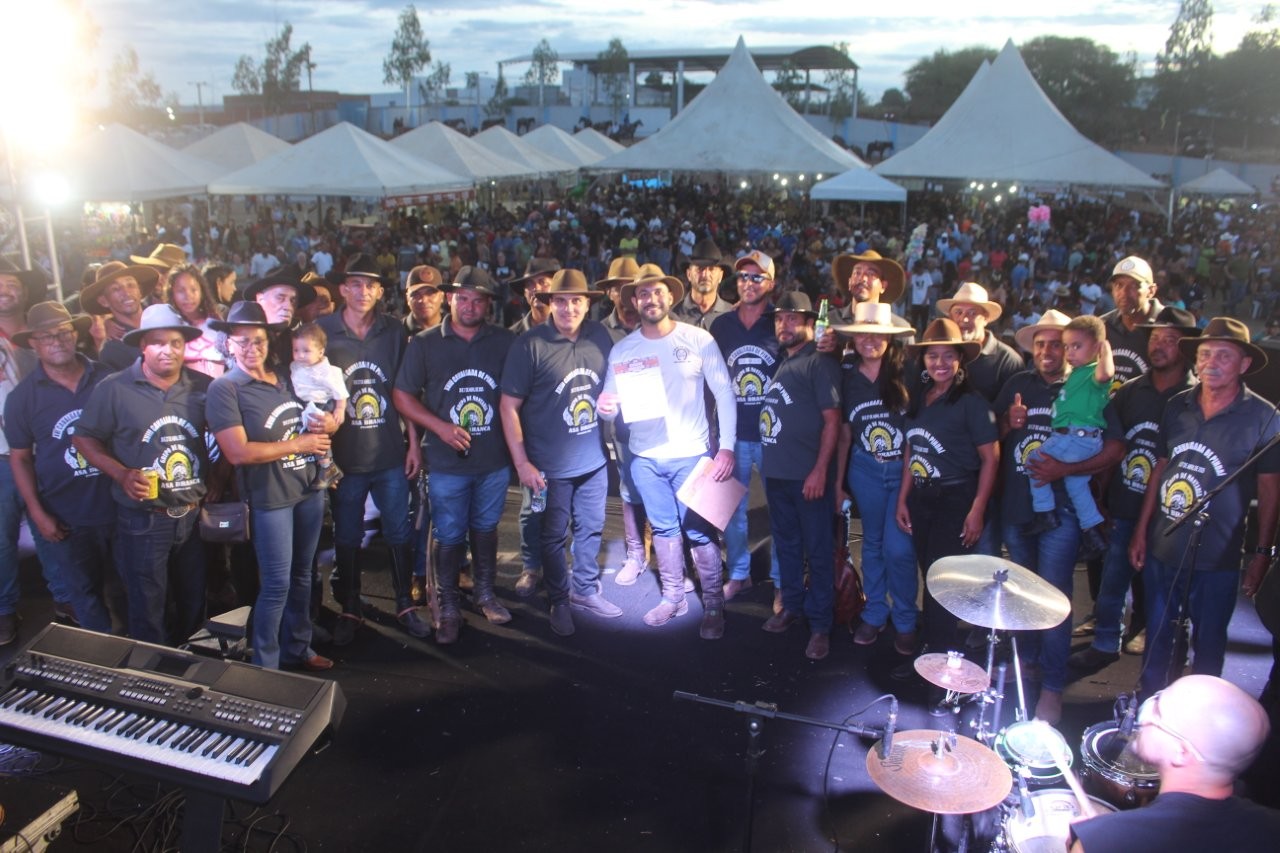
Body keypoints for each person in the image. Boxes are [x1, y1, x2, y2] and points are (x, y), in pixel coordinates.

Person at [1129, 317, 1280, 697]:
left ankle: (1198, 716)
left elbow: (1270, 490)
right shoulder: (1177, 405)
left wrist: (1262, 553)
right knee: (1157, 641)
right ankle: (1149, 711)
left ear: (1244, 364)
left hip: (1219, 557)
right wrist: (1142, 530)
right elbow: (1161, 467)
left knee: (1208, 649)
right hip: (1164, 548)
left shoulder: (1264, 418)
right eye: (1205, 354)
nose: (1211, 362)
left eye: (1224, 355)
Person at [996, 309, 1126, 723]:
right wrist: (1007, 423)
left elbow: (1115, 448)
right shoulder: (1017, 384)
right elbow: (990, 438)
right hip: (1017, 511)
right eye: (1041, 344)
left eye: (1058, 344)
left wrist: (1064, 469)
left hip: (1063, 513)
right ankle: (1028, 663)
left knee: (1054, 598)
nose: (1049, 351)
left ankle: (1052, 687)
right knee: (1023, 595)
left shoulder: (1087, 383)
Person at [597, 265, 736, 635]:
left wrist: (726, 448)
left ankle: (713, 604)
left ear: (671, 296)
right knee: (663, 529)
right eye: (643, 293)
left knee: (700, 532)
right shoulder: (623, 350)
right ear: (634, 301)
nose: (651, 299)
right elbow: (609, 401)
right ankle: (673, 597)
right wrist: (605, 407)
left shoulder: (698, 339)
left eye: (657, 291)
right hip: (645, 459)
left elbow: (724, 392)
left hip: (692, 456)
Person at [206, 302, 336, 671]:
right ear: (229, 344)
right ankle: (267, 666)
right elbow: (237, 452)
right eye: (243, 341)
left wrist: (329, 422)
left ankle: (299, 647)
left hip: (308, 489)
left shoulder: (286, 376)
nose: (252, 348)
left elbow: (323, 410)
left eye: (259, 340)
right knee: (277, 585)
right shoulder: (225, 388)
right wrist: (300, 445)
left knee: (303, 575)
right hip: (270, 498)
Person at [73, 304, 211, 646]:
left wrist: (220, 479)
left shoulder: (203, 386)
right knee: (148, 605)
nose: (168, 350)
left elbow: (226, 435)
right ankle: (152, 669)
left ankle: (194, 663)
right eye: (158, 342)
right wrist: (120, 474)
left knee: (195, 597)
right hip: (144, 519)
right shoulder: (114, 388)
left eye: (176, 342)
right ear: (143, 346)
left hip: (193, 514)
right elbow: (84, 438)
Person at [1069, 307, 1199, 671]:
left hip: (1169, 513)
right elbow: (1111, 444)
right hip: (1126, 501)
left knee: (1159, 587)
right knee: (1112, 579)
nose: (1158, 345)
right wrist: (1100, 493)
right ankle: (1105, 641)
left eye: (1170, 340)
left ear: (1186, 348)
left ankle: (1150, 638)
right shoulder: (1130, 391)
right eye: (1155, 338)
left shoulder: (1195, 396)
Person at [393, 267, 515, 645]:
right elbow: (402, 396)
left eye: (478, 300)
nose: (470, 306)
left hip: (493, 459)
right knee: (448, 534)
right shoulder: (425, 343)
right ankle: (447, 605)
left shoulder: (505, 341)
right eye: (463, 298)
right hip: (446, 462)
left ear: (488, 304)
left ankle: (484, 594)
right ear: (450, 298)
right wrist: (439, 427)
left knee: (485, 528)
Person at [500, 269, 620, 637]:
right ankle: (559, 600)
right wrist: (522, 462)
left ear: (588, 304)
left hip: (593, 460)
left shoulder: (599, 336)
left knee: (591, 528)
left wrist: (612, 401)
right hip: (549, 466)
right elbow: (508, 406)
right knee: (552, 536)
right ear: (550, 303)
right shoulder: (529, 344)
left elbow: (613, 384)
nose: (569, 308)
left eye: (576, 301)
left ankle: (584, 590)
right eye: (561, 301)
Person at [319, 254, 428, 644]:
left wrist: (413, 443)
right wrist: (324, 455)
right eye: (355, 284)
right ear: (343, 288)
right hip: (346, 456)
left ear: (380, 292)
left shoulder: (393, 330)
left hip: (388, 453)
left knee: (398, 530)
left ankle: (404, 604)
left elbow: (404, 391)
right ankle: (350, 605)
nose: (363, 291)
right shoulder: (322, 331)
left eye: (371, 285)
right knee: (347, 534)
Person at [1071, 674, 1280, 853]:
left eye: (1158, 711)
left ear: (1182, 753)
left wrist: (1095, 836)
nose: (1145, 716)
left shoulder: (1104, 842)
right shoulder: (1272, 828)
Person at [895, 319, 998, 656]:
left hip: (955, 498)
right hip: (922, 496)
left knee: (944, 581)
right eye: (932, 356)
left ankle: (940, 656)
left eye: (948, 355)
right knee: (930, 576)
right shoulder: (919, 398)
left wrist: (977, 510)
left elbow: (991, 459)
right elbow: (911, 448)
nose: (940, 363)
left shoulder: (972, 403)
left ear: (960, 360)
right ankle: (933, 648)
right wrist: (903, 498)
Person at [758, 293, 840, 660]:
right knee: (787, 545)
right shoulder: (784, 361)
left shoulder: (819, 362)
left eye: (793, 319)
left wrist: (820, 470)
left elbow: (832, 421)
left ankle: (821, 624)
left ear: (810, 324)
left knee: (818, 551)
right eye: (780, 319)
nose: (784, 325)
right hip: (778, 474)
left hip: (807, 477)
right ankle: (792, 605)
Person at [833, 302, 917, 654]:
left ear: (890, 338)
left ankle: (906, 618)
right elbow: (844, 435)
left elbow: (916, 434)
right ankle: (875, 611)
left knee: (898, 549)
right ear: (853, 338)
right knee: (871, 543)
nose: (869, 339)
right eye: (863, 333)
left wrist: (908, 483)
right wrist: (838, 484)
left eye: (877, 334)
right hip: (865, 466)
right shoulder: (847, 376)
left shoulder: (908, 372)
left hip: (901, 467)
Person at [710, 251, 782, 610]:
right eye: (743, 276)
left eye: (757, 277)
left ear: (771, 283)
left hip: (774, 436)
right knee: (731, 513)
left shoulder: (780, 322)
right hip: (733, 435)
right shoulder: (721, 326)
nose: (748, 283)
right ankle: (739, 573)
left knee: (781, 512)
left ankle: (782, 582)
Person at [1022, 315, 1114, 559]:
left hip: (1076, 436)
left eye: (1077, 346)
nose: (1070, 352)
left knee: (1034, 460)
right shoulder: (1078, 373)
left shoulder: (1093, 373)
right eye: (1067, 346)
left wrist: (1105, 349)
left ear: (1096, 347)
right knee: (1076, 485)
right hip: (1081, 437)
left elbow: (1106, 373)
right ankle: (1092, 531)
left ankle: (1045, 512)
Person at [596, 257, 653, 586]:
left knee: (661, 490)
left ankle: (665, 549)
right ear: (610, 293)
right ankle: (635, 552)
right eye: (618, 288)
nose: (625, 294)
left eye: (631, 287)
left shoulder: (658, 323)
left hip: (660, 427)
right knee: (630, 490)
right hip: (622, 428)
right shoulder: (599, 331)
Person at [505, 257, 560, 595]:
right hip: (529, 437)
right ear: (525, 293)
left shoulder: (573, 329)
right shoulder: (512, 336)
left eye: (544, 282)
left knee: (563, 507)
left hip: (566, 436)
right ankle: (530, 566)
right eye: (531, 284)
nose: (538, 289)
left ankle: (558, 565)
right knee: (532, 508)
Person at [290, 323, 348, 490]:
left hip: (321, 404)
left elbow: (340, 392)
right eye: (296, 350)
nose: (300, 355)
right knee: (306, 435)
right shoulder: (295, 366)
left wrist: (339, 409)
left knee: (317, 434)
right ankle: (326, 468)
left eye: (306, 351)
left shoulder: (328, 371)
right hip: (305, 404)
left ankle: (327, 467)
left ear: (321, 352)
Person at [80, 261, 159, 370]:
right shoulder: (112, 350)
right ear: (104, 301)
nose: (126, 293)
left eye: (130, 285)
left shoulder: (162, 320)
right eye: (116, 289)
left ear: (140, 291)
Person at [1101, 256, 1164, 386]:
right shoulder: (1102, 326)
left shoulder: (1169, 328)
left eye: (1134, 285)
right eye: (1118, 285)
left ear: (1151, 291)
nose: (1124, 292)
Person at [168, 264, 227, 378]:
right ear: (172, 294)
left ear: (202, 291)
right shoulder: (169, 326)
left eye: (193, 290)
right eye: (181, 291)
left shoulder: (216, 320)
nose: (188, 296)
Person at [672, 239, 734, 329]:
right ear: (689, 274)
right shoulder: (672, 316)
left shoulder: (733, 316)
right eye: (699, 269)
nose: (705, 274)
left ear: (720, 276)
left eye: (712, 269)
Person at [404, 265, 445, 335]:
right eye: (416, 294)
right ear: (407, 298)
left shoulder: (458, 330)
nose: (424, 300)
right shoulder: (396, 333)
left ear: (442, 297)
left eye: (430, 294)